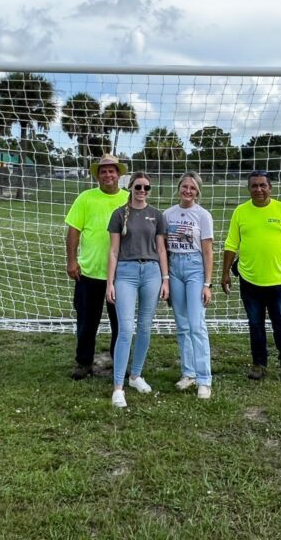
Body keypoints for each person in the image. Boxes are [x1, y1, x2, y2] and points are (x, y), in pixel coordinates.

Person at [221, 169, 281, 384]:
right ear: (248, 189)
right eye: (254, 185)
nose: (258, 189)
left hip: (277, 281)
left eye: (262, 185)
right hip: (249, 281)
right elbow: (231, 244)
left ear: (270, 187)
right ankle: (259, 364)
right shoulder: (240, 212)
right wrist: (225, 274)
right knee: (255, 324)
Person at [106, 172, 169, 408]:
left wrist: (165, 279)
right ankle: (118, 387)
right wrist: (109, 282)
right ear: (130, 188)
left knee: (144, 327)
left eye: (146, 188)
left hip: (151, 272)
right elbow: (113, 251)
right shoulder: (119, 214)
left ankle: (136, 376)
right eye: (138, 187)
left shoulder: (157, 215)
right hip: (126, 273)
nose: (142, 191)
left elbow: (162, 250)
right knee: (126, 329)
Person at [65, 154, 129, 379]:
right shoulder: (85, 198)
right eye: (103, 171)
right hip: (90, 271)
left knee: (121, 322)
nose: (108, 175)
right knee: (86, 321)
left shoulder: (129, 199)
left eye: (112, 171)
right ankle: (84, 362)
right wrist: (72, 261)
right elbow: (73, 230)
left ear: (119, 174)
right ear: (98, 175)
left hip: (121, 274)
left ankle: (118, 361)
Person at [163, 171, 214, 399]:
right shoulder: (167, 215)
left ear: (197, 191)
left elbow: (207, 250)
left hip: (194, 268)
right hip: (175, 267)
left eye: (192, 188)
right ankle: (188, 373)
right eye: (184, 186)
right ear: (179, 188)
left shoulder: (202, 215)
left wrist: (207, 283)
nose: (188, 191)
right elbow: (162, 248)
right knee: (182, 325)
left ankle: (204, 379)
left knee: (196, 325)